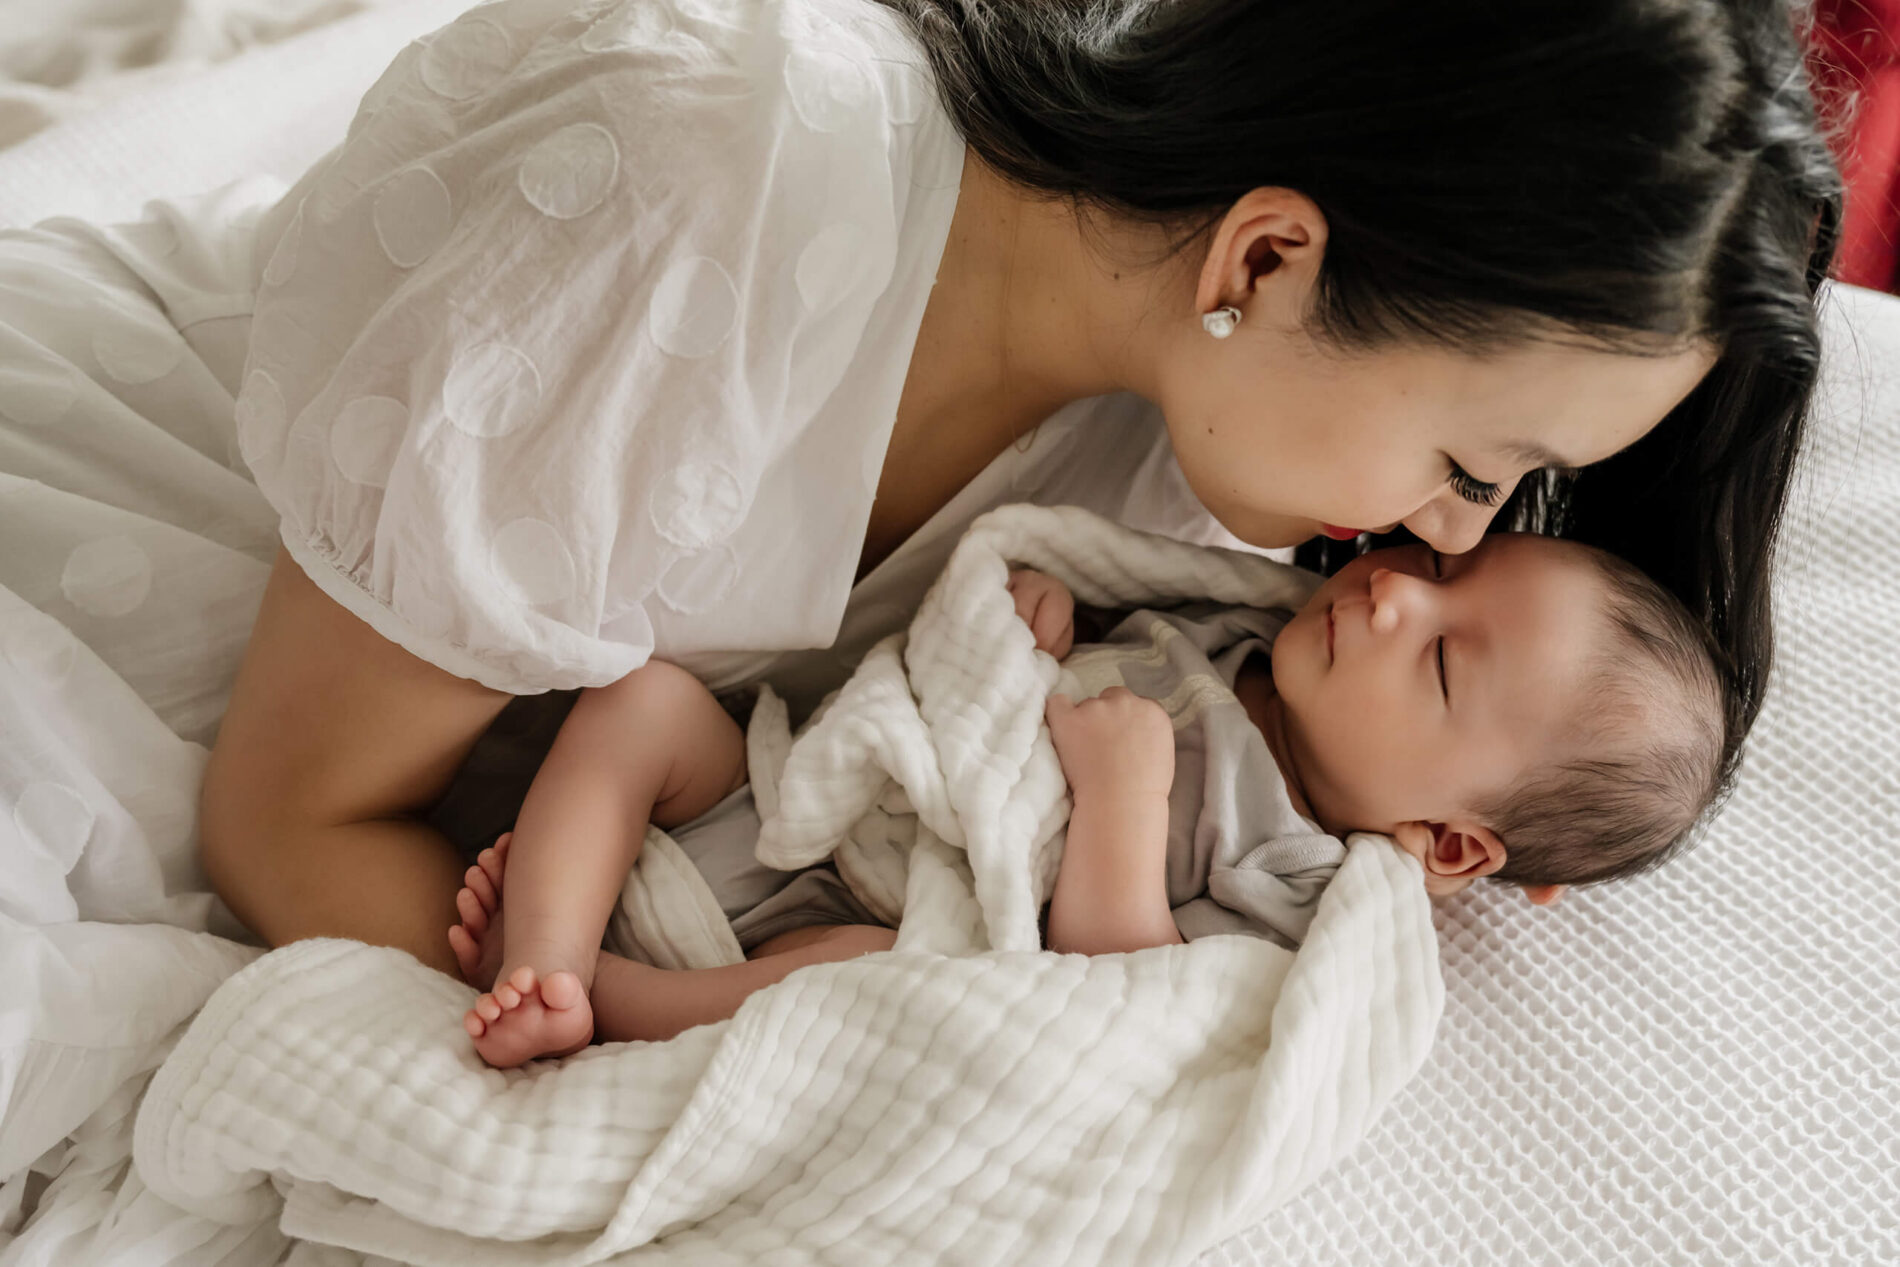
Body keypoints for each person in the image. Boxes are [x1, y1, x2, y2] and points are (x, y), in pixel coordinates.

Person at [198, 0, 1841, 982]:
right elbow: (291, 814)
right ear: (1270, 257)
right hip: (234, 654)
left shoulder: (1194, 485)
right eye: (1475, 469)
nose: (1447, 538)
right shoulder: (699, 199)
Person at [448, 530, 1723, 1062]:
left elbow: (1122, 983)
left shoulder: (1302, 875)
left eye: (1440, 657)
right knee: (648, 702)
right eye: (1446, 566)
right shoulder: (1230, 633)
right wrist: (1028, 633)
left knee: (866, 974)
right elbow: (1034, 654)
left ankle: (595, 1002)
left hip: (848, 918)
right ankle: (546, 943)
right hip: (806, 795)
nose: (1395, 592)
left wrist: (1124, 800)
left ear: (1446, 840)